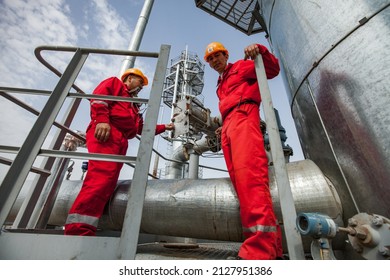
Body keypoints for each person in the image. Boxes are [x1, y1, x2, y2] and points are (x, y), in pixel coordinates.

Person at [64, 68, 174, 236]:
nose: (141, 87)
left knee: (108, 182)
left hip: (120, 141)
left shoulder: (134, 106)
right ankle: (77, 230)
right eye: (140, 82)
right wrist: (101, 120)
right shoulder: (115, 84)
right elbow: (99, 99)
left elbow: (140, 129)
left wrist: (164, 127)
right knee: (99, 179)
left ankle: (91, 225)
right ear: (129, 78)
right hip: (106, 133)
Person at [204, 42, 283, 260]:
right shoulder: (219, 85)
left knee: (251, 180)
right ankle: (269, 249)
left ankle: (259, 252)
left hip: (244, 117)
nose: (214, 60)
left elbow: (272, 70)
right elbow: (228, 103)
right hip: (229, 124)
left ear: (226, 54)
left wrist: (259, 49)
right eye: (210, 59)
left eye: (217, 55)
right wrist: (224, 124)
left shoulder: (241, 66)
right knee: (240, 183)